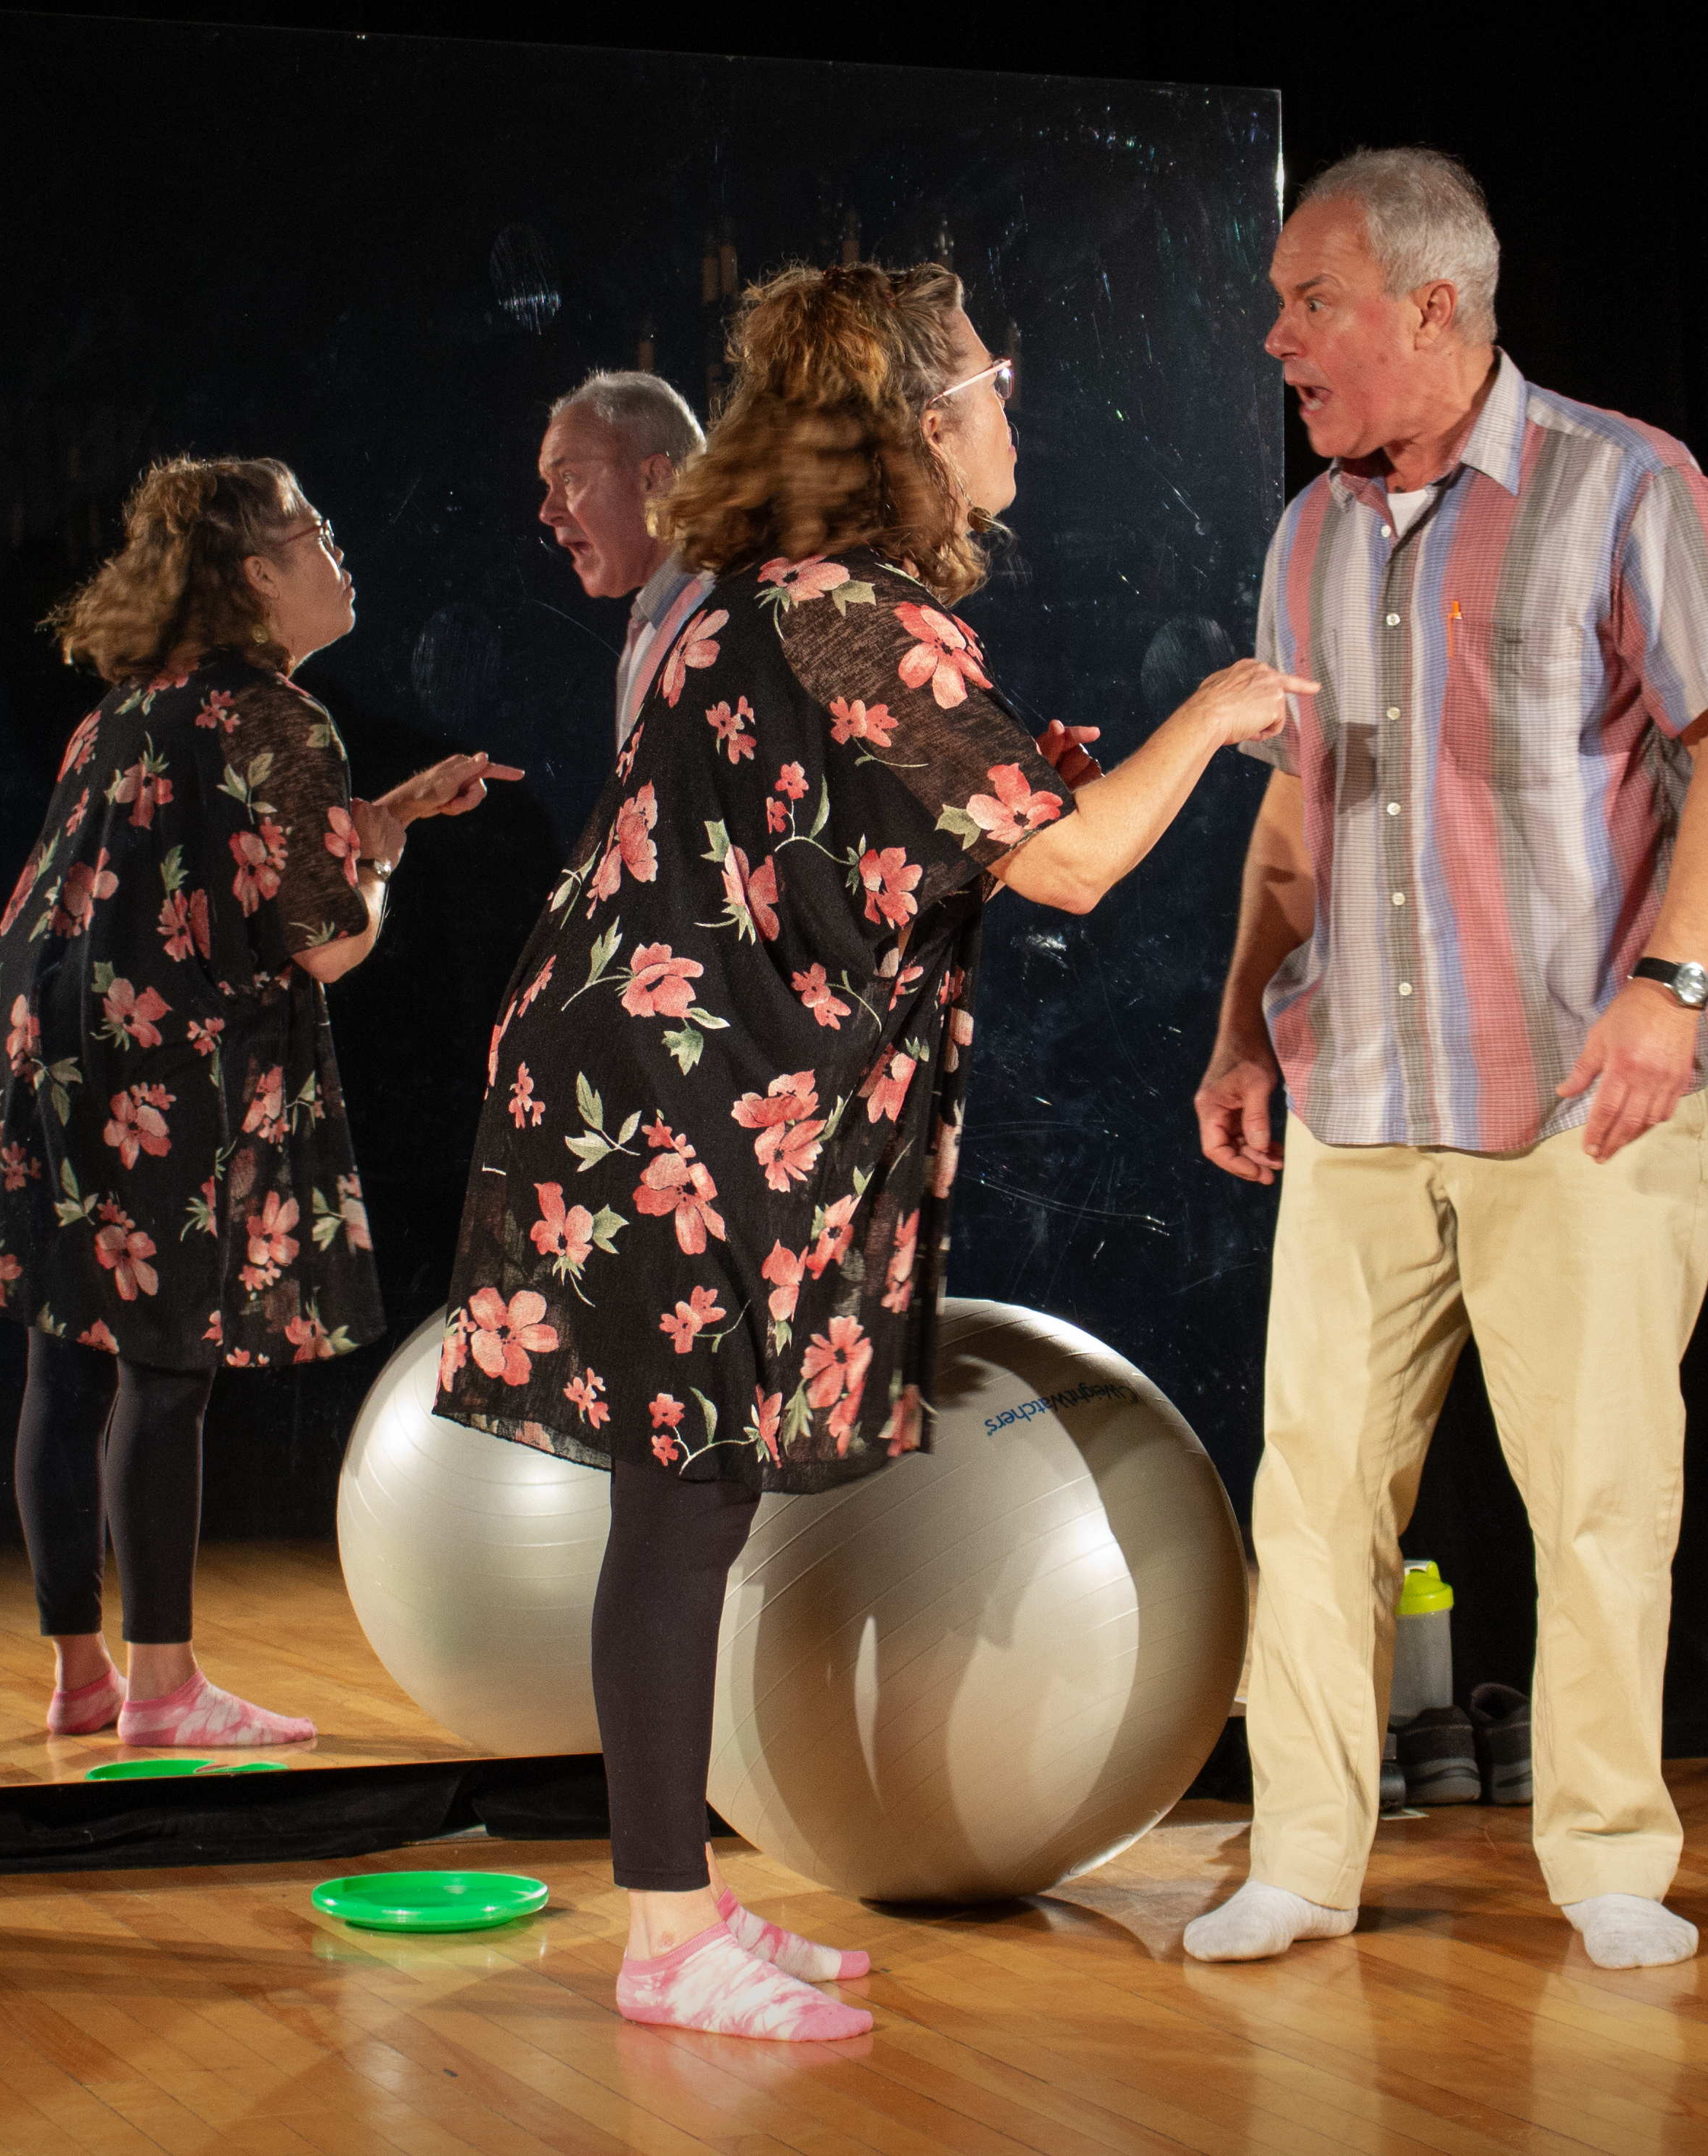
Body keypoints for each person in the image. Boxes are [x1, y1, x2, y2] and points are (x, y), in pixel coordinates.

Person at [439, 260, 1313, 2041]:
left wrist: (1042, 766)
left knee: (691, 1503)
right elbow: (1065, 863)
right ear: (924, 421)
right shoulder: (852, 611)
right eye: (994, 379)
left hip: (677, 1084)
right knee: (682, 1511)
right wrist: (1220, 715)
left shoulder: (792, 601)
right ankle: (669, 1935)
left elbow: (878, 829)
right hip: (681, 1103)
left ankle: (684, 1912)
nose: (1015, 410)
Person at [1183, 149, 1708, 1972]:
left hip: (1573, 1096)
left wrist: (1671, 982)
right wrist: (1236, 1022)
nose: (1278, 335)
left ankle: (1607, 1851)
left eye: (1311, 301)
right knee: (1313, 1488)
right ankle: (1299, 1854)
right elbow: (1294, 817)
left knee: (1600, 1489)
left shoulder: (1624, 485)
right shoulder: (1305, 534)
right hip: (1359, 1092)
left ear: (1431, 306)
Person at [0, 456, 517, 1749]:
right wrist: (380, 877)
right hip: (153, 1055)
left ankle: (83, 1676)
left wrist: (372, 820)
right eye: (315, 529)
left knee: (65, 1351)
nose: (339, 547)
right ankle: (161, 1691)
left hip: (38, 1035)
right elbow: (320, 940)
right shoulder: (279, 716)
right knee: (165, 1368)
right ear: (258, 573)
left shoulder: (127, 708)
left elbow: (225, 860)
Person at [534, 368, 714, 754]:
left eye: (568, 478)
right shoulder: (653, 627)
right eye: (548, 486)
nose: (548, 512)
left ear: (656, 480)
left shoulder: (716, 615)